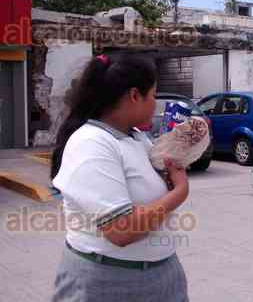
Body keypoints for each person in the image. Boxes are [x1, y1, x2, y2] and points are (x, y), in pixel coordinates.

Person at [50, 55, 190, 302]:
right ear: (134, 96)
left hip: (161, 276)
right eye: (154, 95)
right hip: (108, 280)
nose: (155, 104)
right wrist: (180, 191)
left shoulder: (135, 138)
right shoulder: (91, 143)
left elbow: (151, 192)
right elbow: (122, 230)